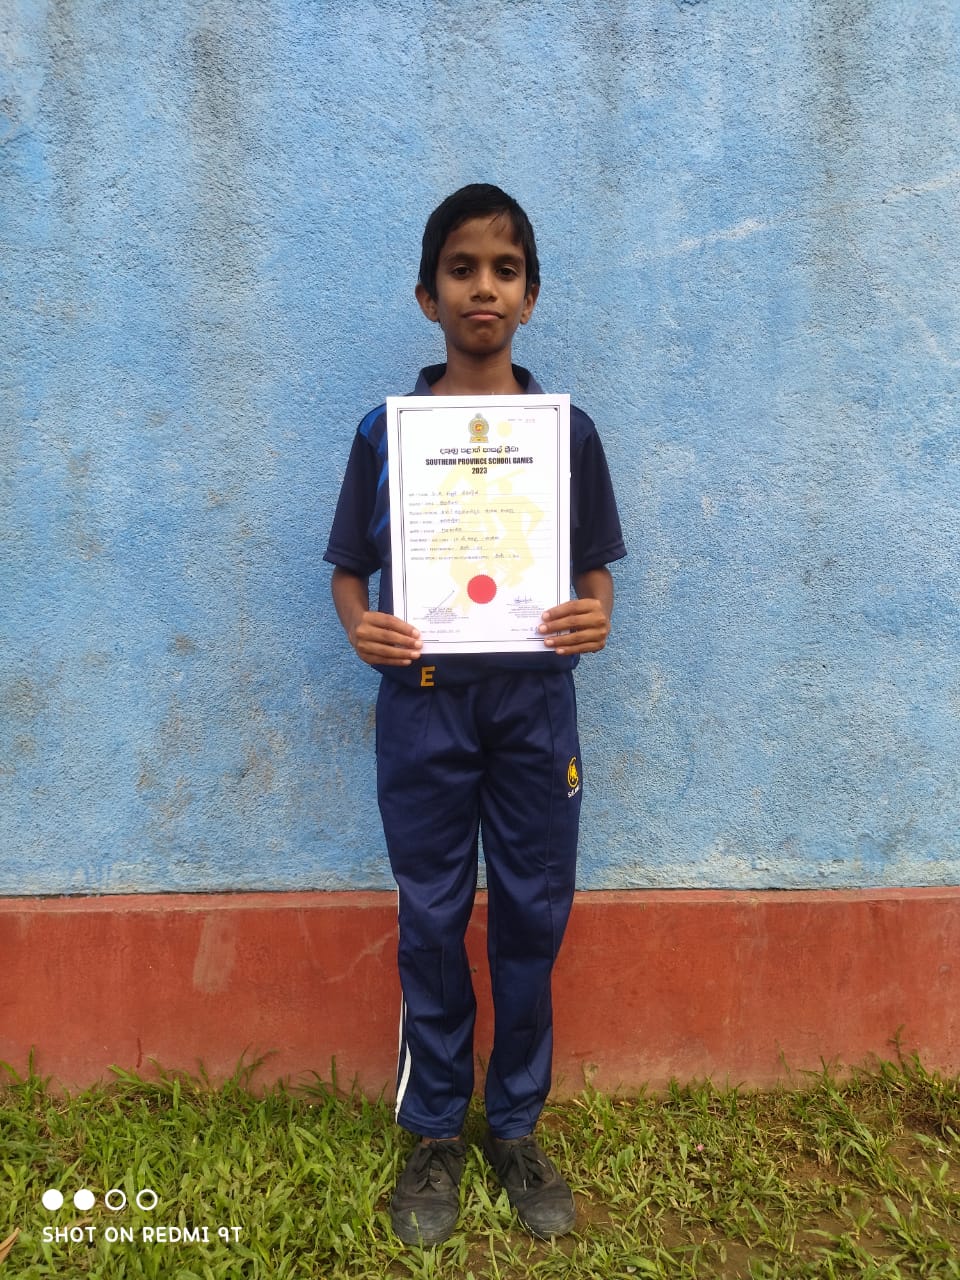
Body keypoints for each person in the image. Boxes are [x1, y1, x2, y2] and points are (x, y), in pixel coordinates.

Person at [324, 184, 626, 1245]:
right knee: (434, 918)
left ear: (531, 296)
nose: (483, 287)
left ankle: (517, 1124)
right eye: (462, 269)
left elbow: (594, 567)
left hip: (535, 707)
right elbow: (348, 570)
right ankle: (434, 1130)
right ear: (428, 295)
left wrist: (594, 613)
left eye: (505, 269)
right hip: (423, 709)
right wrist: (361, 628)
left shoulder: (565, 433)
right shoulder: (387, 433)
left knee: (533, 914)